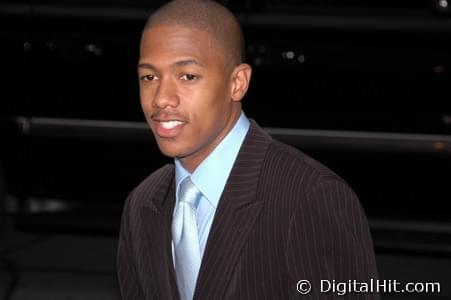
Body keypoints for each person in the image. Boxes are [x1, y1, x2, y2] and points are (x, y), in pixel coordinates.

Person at [117, 0, 379, 299]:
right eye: (149, 77)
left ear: (237, 83)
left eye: (188, 76)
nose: (162, 98)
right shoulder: (141, 205)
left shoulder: (309, 196)